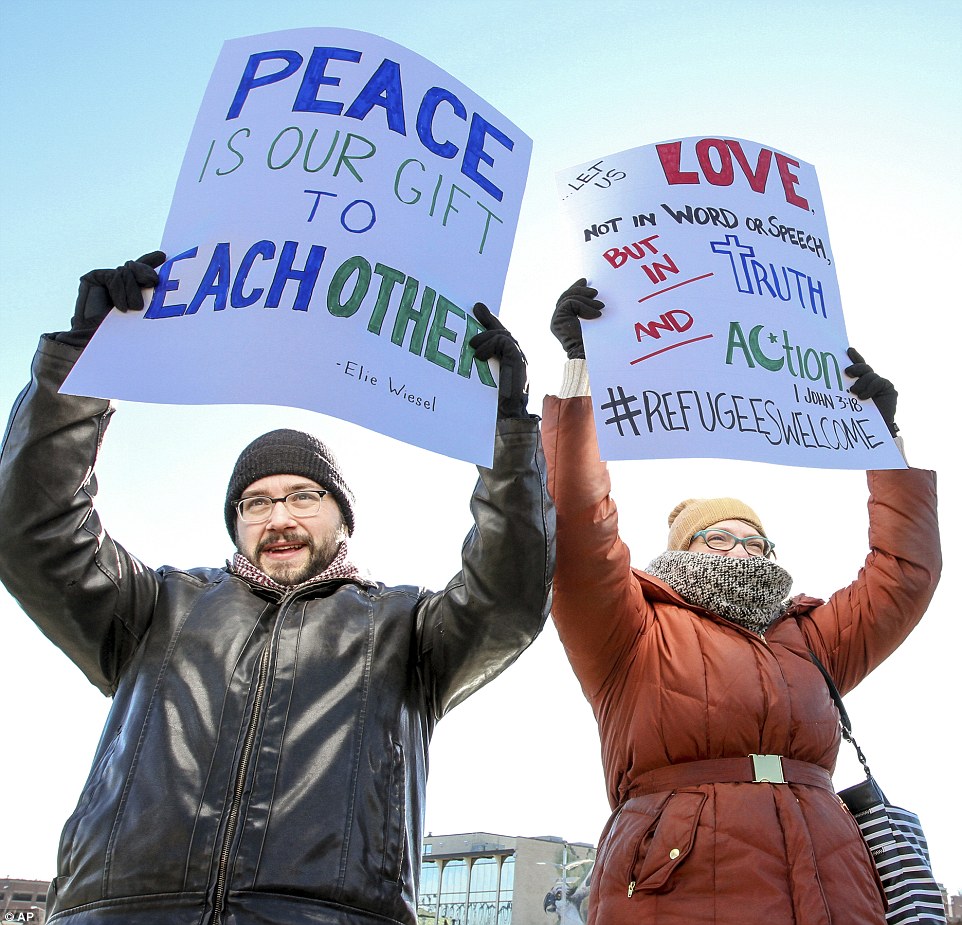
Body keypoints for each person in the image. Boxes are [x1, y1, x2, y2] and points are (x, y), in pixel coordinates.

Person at [0, 252, 556, 925]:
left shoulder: (404, 630)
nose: (280, 517)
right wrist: (82, 369)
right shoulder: (154, 609)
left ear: (341, 516)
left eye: (302, 495)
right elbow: (33, 528)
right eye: (256, 503)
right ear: (236, 522)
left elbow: (511, 594)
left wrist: (504, 434)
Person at [540, 279, 941, 925]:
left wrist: (885, 443)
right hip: (681, 888)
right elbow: (578, 525)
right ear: (684, 548)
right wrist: (584, 370)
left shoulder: (808, 638)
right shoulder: (633, 628)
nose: (742, 550)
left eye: (756, 541)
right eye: (718, 537)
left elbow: (907, 573)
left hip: (835, 886)